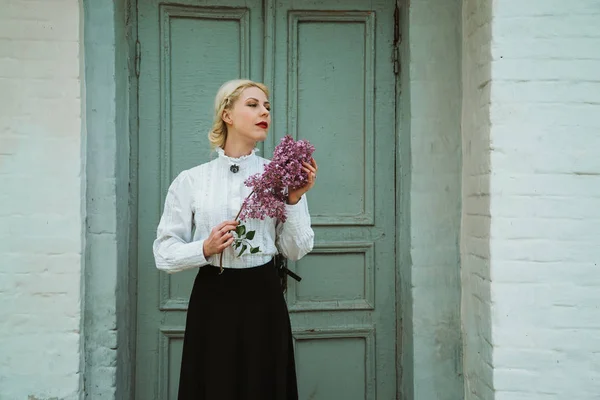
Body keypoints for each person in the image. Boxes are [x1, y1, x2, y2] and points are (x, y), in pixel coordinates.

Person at [153, 79, 317, 400]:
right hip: (213, 298)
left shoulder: (279, 176)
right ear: (227, 114)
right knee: (214, 386)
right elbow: (164, 253)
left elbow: (296, 249)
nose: (264, 112)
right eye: (253, 104)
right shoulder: (192, 180)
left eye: (267, 106)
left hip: (263, 298)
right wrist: (204, 248)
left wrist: (294, 199)